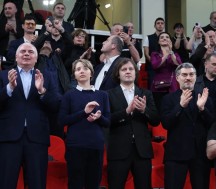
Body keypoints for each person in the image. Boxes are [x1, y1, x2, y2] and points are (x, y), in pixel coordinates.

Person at [0, 43, 60, 189]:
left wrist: (42, 91)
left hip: (37, 138)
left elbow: (56, 105)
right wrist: (9, 88)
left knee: (37, 183)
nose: (26, 54)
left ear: (36, 57)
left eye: (30, 52)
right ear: (16, 56)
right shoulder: (3, 75)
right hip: (9, 137)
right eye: (23, 51)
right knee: (6, 182)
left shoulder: (48, 76)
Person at [107, 58, 160, 189]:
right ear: (118, 74)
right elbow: (106, 120)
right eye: (124, 69)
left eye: (131, 69)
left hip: (142, 151)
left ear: (136, 73)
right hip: (118, 150)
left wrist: (144, 110)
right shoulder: (108, 95)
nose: (128, 72)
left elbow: (155, 120)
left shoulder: (146, 93)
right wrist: (126, 112)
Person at [161, 63, 215, 189]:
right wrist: (180, 106)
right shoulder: (168, 99)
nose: (188, 78)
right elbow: (166, 124)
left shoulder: (205, 97)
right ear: (177, 77)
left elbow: (212, 123)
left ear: (196, 77)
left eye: (191, 74)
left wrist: (202, 108)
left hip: (200, 154)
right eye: (184, 75)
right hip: (176, 155)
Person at [58, 59, 110, 189]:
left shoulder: (103, 95)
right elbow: (62, 120)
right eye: (78, 69)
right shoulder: (69, 95)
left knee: (93, 184)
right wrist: (84, 112)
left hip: (96, 145)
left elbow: (108, 122)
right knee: (75, 183)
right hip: (75, 145)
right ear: (74, 75)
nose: (82, 71)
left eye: (85, 68)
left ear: (91, 73)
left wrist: (98, 117)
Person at [150, 31, 182, 111]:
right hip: (158, 86)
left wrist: (171, 52)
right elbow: (155, 65)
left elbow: (178, 65)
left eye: (167, 37)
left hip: (172, 86)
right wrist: (166, 54)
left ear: (170, 41)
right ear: (158, 41)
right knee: (159, 109)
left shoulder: (175, 54)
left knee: (172, 109)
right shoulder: (155, 54)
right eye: (162, 37)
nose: (164, 38)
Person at [143, 17, 165, 89]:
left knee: (164, 88)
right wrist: (154, 63)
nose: (160, 25)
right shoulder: (148, 37)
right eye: (158, 23)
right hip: (151, 68)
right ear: (155, 26)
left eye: (162, 23)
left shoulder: (167, 37)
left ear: (164, 25)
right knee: (152, 88)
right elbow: (146, 53)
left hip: (164, 67)